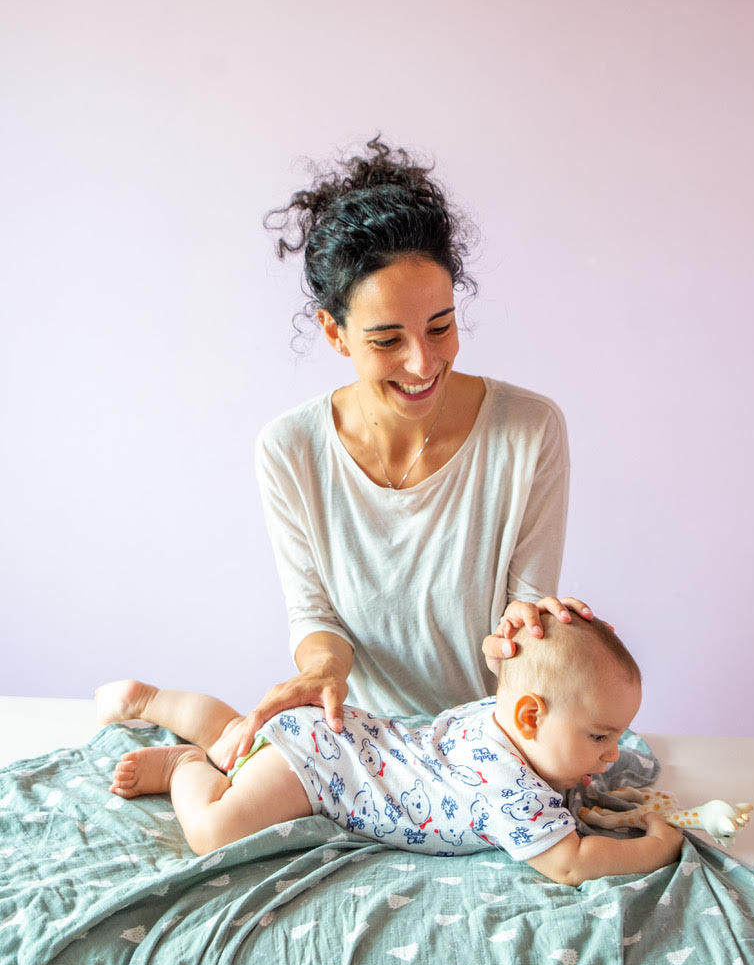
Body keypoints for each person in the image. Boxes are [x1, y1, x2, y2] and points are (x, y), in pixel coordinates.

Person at [217, 136, 596, 772]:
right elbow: (315, 616)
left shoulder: (528, 431)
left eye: (440, 327)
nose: (423, 363)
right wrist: (322, 670)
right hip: (360, 743)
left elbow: (526, 616)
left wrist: (531, 635)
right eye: (387, 339)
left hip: (492, 741)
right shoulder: (291, 449)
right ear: (334, 332)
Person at [100, 615, 684, 887]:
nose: (611, 755)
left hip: (334, 733)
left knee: (238, 734)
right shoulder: (511, 788)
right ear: (530, 716)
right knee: (214, 830)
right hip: (321, 771)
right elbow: (571, 863)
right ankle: (183, 766)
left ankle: (150, 700)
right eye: (599, 737)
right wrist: (657, 847)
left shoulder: (491, 717)